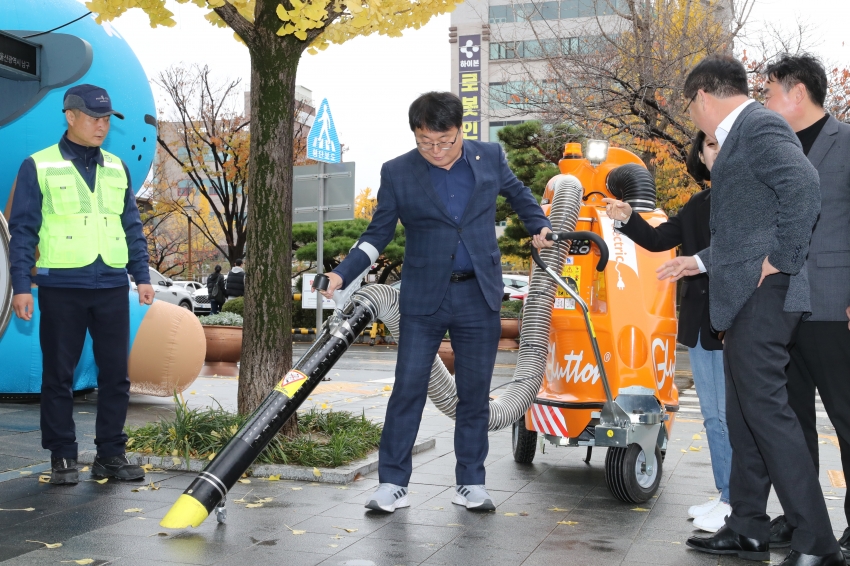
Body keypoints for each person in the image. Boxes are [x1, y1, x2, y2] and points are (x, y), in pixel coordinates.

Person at [318, 92, 553, 513]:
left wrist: (540, 226)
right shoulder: (398, 172)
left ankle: (471, 482)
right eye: (426, 142)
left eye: (444, 141)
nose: (436, 151)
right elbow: (377, 234)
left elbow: (520, 197)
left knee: (475, 393)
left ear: (460, 130)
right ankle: (393, 483)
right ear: (415, 135)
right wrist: (342, 273)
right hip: (424, 296)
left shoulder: (489, 157)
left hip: (478, 293)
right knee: (407, 389)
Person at [660, 56, 843, 566]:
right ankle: (747, 526)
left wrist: (781, 260)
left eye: (690, 108)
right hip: (742, 296)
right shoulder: (747, 133)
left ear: (700, 97)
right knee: (744, 415)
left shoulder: (757, 126)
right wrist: (696, 262)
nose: (694, 121)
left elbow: (805, 187)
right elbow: (747, 233)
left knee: (767, 413)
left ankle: (817, 542)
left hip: (766, 295)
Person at [8, 84, 154, 485]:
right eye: (94, 117)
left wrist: (141, 275)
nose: (102, 126)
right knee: (58, 375)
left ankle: (110, 454)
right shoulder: (38, 165)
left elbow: (131, 226)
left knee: (116, 376)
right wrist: (21, 284)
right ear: (70, 116)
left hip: (110, 284)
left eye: (106, 119)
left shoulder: (116, 167)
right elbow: (22, 231)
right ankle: (62, 455)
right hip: (60, 285)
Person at [604, 131, 732, 532]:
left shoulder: (752, 199)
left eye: (725, 142)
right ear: (701, 155)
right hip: (701, 326)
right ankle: (727, 495)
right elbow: (660, 239)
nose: (716, 152)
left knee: (737, 417)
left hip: (738, 323)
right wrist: (627, 218)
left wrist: (698, 262)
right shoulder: (697, 204)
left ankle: (744, 502)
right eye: (709, 145)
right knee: (713, 418)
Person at [759, 54, 850, 559]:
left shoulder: (847, 142)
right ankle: (803, 523)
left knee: (846, 417)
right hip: (778, 306)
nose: (765, 102)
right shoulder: (774, 151)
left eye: (769, 92)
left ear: (796, 92)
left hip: (835, 305)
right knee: (790, 425)